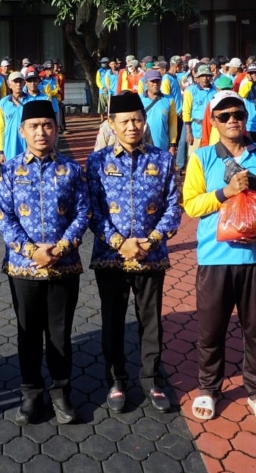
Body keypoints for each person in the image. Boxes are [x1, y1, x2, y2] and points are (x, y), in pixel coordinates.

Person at [183, 90, 256, 424]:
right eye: (224, 116)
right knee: (210, 330)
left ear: (246, 118)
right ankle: (209, 388)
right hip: (215, 258)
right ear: (213, 122)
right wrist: (224, 193)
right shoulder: (202, 158)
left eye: (238, 114)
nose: (233, 120)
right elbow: (191, 205)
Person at [86, 93, 181, 414]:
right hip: (110, 257)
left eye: (137, 120)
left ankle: (152, 379)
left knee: (150, 321)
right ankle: (116, 379)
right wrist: (119, 243)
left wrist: (150, 241)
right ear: (111, 124)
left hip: (151, 256)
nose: (132, 127)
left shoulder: (162, 160)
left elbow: (173, 207)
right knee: (112, 320)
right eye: (125, 121)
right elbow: (92, 210)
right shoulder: (97, 162)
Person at [0, 100, 90, 425]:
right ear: (22, 131)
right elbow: (4, 217)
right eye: (34, 126)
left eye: (47, 125)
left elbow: (83, 212)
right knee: (28, 333)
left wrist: (61, 247)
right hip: (23, 268)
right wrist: (30, 251)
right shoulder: (10, 170)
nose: (41, 132)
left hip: (64, 266)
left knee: (60, 333)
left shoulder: (72, 169)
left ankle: (61, 392)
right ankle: (31, 393)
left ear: (56, 129)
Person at [183, 64, 216, 160]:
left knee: (210, 156)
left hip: (212, 130)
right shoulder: (190, 91)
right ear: (197, 78)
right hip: (196, 130)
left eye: (207, 76)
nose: (205, 78)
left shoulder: (216, 91)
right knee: (194, 157)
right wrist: (189, 132)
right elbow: (186, 112)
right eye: (202, 76)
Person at [140, 69, 177, 154]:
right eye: (152, 81)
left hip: (162, 146)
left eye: (158, 81)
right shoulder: (139, 99)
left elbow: (173, 124)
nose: (155, 84)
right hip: (142, 146)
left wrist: (173, 145)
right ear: (146, 83)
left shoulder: (169, 100)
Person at [0, 71, 30, 163]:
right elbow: (0, 128)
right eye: (15, 81)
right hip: (9, 146)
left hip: (28, 145)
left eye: (20, 81)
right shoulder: (3, 103)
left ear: (24, 83)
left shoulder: (31, 101)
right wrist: (1, 151)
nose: (18, 84)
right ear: (9, 84)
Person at [238, 63, 256, 145]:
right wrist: (250, 82)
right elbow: (242, 94)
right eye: (251, 73)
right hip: (250, 125)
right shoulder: (246, 85)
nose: (254, 75)